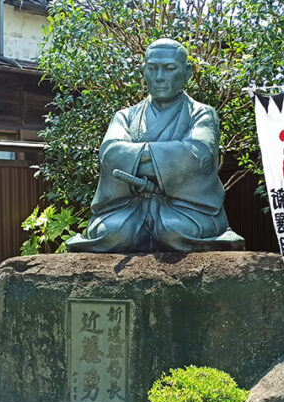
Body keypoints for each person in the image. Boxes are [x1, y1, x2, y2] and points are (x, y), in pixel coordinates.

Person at [66, 38, 244, 252]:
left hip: (186, 209)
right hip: (129, 208)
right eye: (153, 68)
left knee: (172, 229)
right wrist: (169, 156)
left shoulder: (201, 113)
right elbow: (111, 156)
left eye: (169, 68)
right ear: (144, 71)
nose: (159, 77)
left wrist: (136, 157)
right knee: (115, 231)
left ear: (187, 72)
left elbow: (196, 157)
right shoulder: (125, 116)